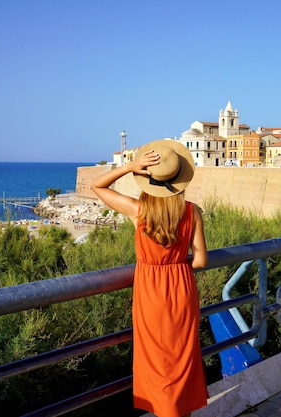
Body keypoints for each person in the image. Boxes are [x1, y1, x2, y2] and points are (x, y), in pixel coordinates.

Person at [91, 139, 208, 417]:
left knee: (157, 361)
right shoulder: (192, 212)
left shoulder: (138, 211)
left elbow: (98, 186)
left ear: (147, 179)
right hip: (181, 287)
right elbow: (201, 260)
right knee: (182, 357)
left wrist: (131, 166)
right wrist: (177, 267)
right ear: (180, 180)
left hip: (150, 291)